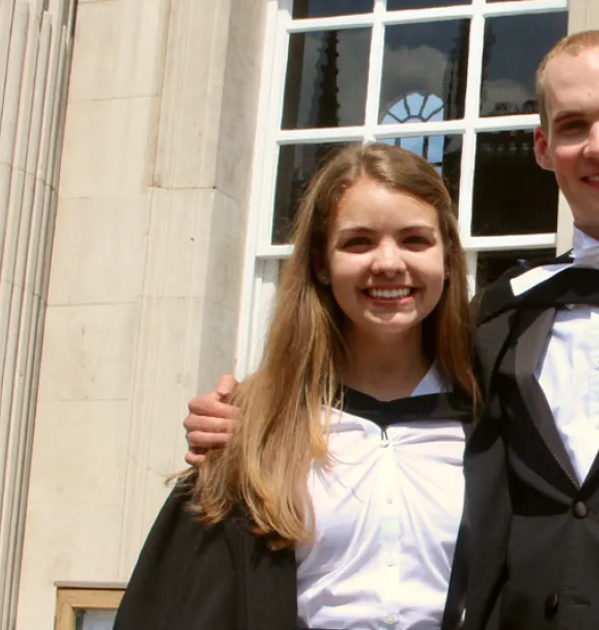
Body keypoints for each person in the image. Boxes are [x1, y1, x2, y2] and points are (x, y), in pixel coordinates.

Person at [186, 30, 599, 630]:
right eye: (572, 126)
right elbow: (383, 380)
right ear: (544, 147)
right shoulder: (498, 318)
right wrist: (256, 411)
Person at [117, 143, 478, 630]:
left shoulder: (493, 422)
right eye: (358, 242)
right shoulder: (256, 428)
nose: (389, 263)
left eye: (415, 240)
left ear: (448, 259)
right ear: (321, 263)